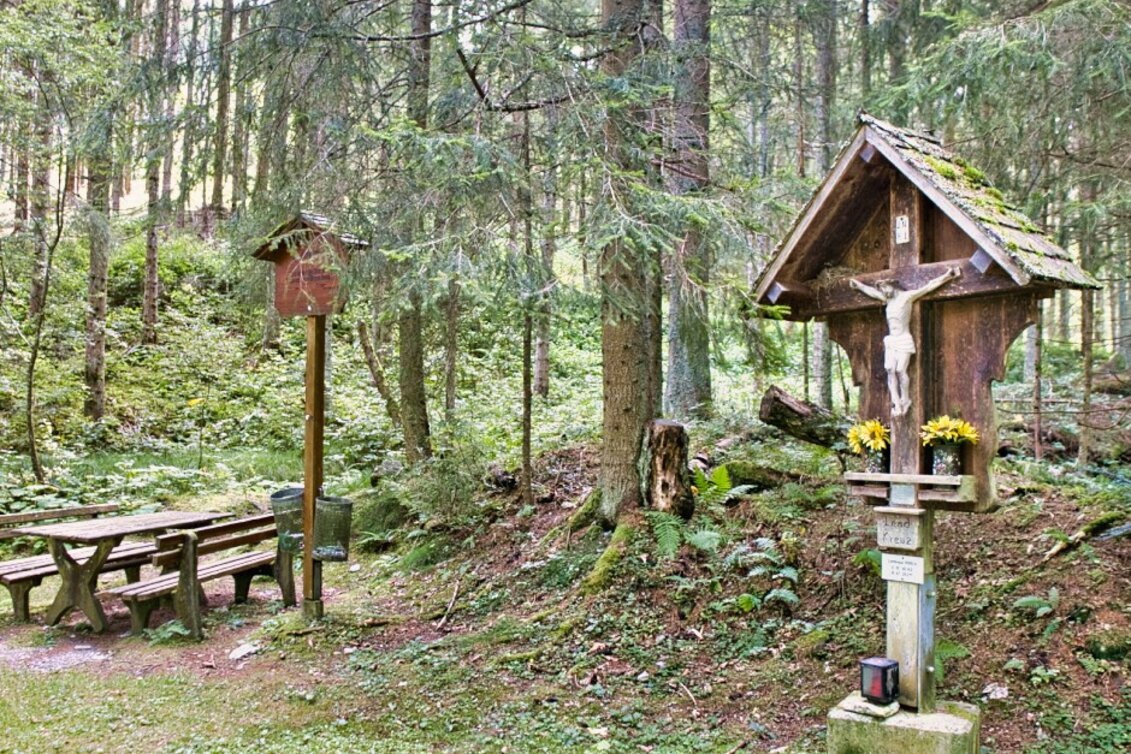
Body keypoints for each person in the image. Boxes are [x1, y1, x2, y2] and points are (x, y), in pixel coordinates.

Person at [849, 266, 961, 416]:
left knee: (900, 370)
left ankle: (905, 399)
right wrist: (860, 286)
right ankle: (896, 403)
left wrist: (948, 276)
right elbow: (873, 292)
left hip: (903, 339)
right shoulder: (886, 300)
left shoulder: (907, 296)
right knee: (889, 370)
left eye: (886, 288)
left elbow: (928, 287)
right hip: (891, 340)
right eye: (882, 289)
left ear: (893, 286)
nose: (884, 292)